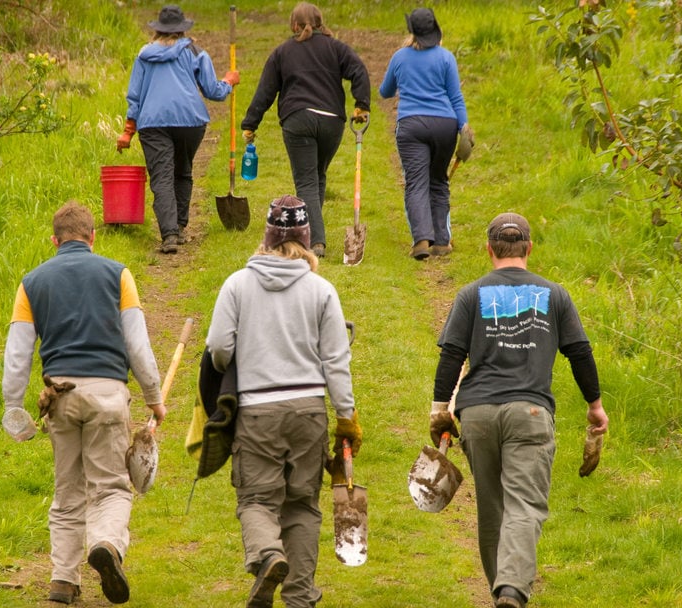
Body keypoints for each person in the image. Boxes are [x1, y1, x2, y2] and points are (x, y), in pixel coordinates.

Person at [430, 212, 609, 608]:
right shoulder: (555, 294)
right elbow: (579, 352)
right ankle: (511, 590)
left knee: (492, 509)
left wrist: (438, 409)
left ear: (489, 249)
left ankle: (502, 591)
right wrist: (594, 406)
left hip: (476, 415)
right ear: (529, 248)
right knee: (524, 505)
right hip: (529, 413)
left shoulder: (471, 294)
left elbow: (452, 356)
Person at [1, 201, 165, 605]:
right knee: (110, 487)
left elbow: (18, 355)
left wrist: (13, 407)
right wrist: (153, 397)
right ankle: (106, 545)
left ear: (54, 241)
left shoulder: (32, 282)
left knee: (67, 490)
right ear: (93, 237)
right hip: (108, 395)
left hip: (60, 398)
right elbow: (138, 347)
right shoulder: (118, 275)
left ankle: (62, 580)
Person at [205, 195, 361, 608]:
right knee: (302, 506)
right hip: (309, 411)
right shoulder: (321, 290)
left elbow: (219, 349)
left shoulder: (237, 284)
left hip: (257, 411)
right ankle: (299, 596)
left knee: (257, 499)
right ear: (306, 238)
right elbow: (336, 360)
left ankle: (268, 556)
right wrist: (346, 417)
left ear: (268, 236)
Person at [240, 2, 371, 259]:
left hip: (298, 119)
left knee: (307, 181)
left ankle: (315, 242)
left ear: (293, 25)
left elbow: (266, 90)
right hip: (332, 121)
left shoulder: (283, 52)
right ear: (321, 23)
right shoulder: (336, 48)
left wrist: (250, 123)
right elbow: (359, 70)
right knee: (318, 176)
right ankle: (310, 231)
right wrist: (361, 104)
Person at [118, 5, 240, 253]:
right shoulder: (195, 51)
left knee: (162, 178)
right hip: (190, 121)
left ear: (157, 31)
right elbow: (213, 91)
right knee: (182, 172)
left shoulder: (143, 56)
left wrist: (129, 130)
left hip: (152, 124)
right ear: (183, 29)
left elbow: (135, 96)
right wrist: (228, 82)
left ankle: (170, 235)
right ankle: (180, 226)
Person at [379, 7, 474, 260]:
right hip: (445, 125)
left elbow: (385, 92)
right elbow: (456, 97)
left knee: (416, 183)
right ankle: (442, 241)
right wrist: (464, 127)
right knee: (439, 181)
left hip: (412, 125)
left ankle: (421, 240)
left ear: (412, 32)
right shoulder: (446, 58)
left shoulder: (400, 57)